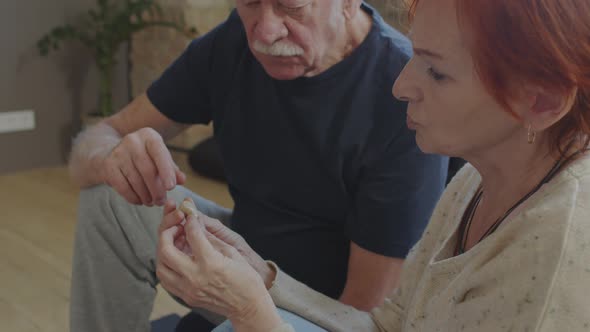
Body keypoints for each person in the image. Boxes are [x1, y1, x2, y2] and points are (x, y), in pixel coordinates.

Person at [155, 0, 590, 330]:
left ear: (542, 100)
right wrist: (262, 276)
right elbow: (390, 323)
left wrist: (251, 311)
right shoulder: (476, 179)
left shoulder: (551, 252)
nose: (401, 86)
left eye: (436, 72)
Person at [68, 0, 448, 331]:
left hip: (319, 314)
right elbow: (94, 141)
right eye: (250, 3)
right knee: (108, 196)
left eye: (291, 6)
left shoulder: (404, 93)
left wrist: (252, 304)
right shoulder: (229, 44)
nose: (264, 31)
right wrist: (113, 158)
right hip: (244, 262)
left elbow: (365, 317)